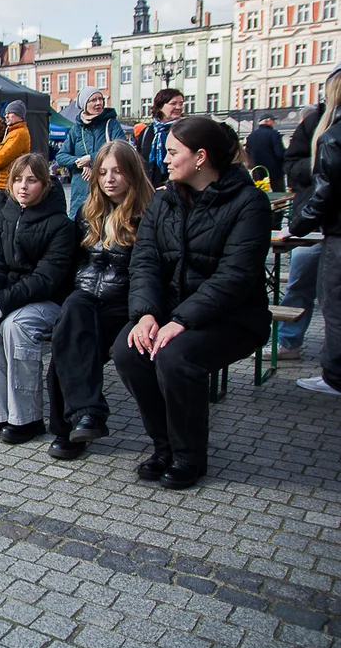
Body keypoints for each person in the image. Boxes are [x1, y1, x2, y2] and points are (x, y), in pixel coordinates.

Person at [111, 116, 271, 489]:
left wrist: (181, 319)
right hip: (171, 312)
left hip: (233, 318)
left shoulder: (250, 203)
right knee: (128, 349)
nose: (164, 159)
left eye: (171, 152)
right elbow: (145, 261)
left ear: (200, 157)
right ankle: (163, 446)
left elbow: (236, 276)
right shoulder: (164, 200)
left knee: (176, 356)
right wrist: (146, 314)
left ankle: (189, 455)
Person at [45, 140, 154, 460]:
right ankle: (78, 423)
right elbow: (74, 263)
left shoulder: (148, 213)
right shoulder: (86, 211)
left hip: (124, 304)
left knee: (75, 344)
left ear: (132, 174)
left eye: (118, 172)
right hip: (85, 298)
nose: (109, 179)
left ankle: (82, 420)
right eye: (103, 172)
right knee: (68, 328)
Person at [0, 153, 75, 444]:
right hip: (7, 297)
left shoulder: (61, 225)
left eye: (32, 180)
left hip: (49, 301)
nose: (22, 187)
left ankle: (27, 418)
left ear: (46, 185)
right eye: (17, 179)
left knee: (16, 324)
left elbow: (46, 279)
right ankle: (2, 411)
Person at [281, 66, 341, 396]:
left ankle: (334, 376)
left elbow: (327, 191)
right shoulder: (318, 126)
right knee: (307, 287)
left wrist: (297, 226)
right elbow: (293, 162)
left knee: (331, 303)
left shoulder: (332, 134)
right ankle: (291, 344)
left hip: (326, 226)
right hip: (323, 224)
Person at [276, 104, 326, 360]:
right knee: (299, 284)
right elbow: (291, 165)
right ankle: (288, 342)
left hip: (313, 220)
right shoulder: (316, 120)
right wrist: (324, 161)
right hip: (311, 222)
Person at [56, 87, 127, 218]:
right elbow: (61, 156)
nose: (98, 103)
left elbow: (122, 150)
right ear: (84, 104)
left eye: (100, 99)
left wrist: (91, 158)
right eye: (93, 100)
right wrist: (80, 162)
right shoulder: (77, 129)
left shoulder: (111, 124)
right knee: (79, 228)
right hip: (81, 189)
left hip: (107, 186)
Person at [0, 100, 32, 208]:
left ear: (19, 115)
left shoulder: (19, 134)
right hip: (2, 183)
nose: (6, 115)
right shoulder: (12, 132)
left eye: (10, 112)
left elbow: (2, 157)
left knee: (2, 217)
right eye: (6, 113)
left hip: (4, 184)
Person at [136, 88, 184, 188]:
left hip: (177, 188)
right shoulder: (147, 132)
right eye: (173, 103)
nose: (178, 107)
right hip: (149, 189)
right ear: (160, 106)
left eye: (181, 103)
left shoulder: (185, 130)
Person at [246, 114, 286, 193]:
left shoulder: (251, 136)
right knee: (279, 195)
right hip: (275, 172)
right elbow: (279, 153)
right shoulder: (274, 134)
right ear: (267, 121)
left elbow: (248, 153)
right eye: (272, 120)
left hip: (257, 171)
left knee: (260, 194)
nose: (274, 122)